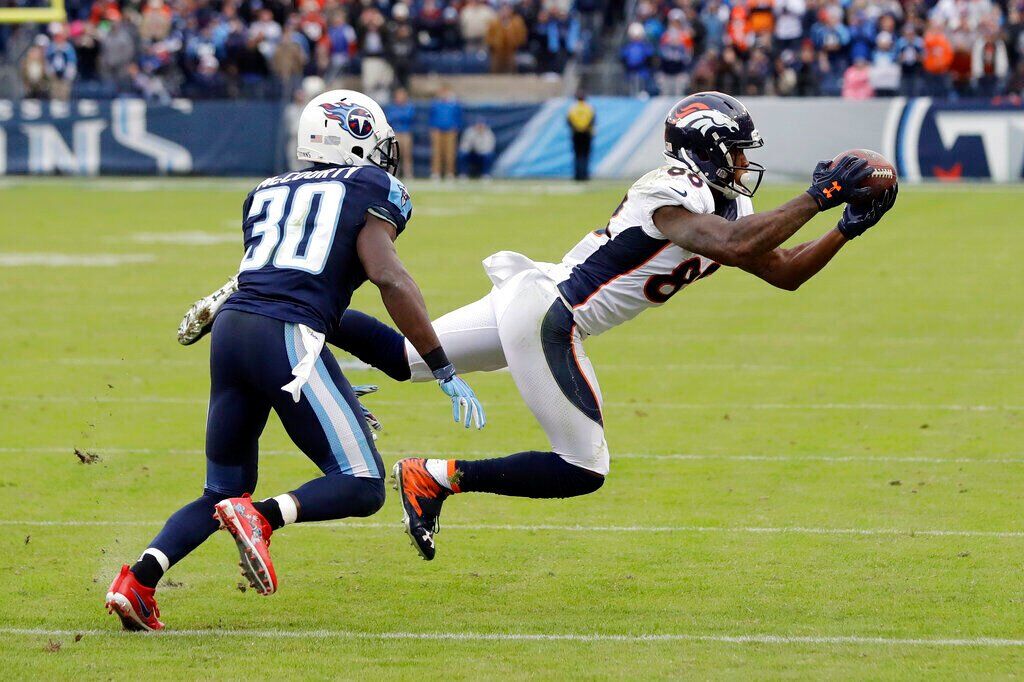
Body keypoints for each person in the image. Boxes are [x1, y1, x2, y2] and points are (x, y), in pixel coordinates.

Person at [180, 92, 898, 562]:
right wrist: (822, 190)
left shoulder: (726, 208)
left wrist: (846, 227)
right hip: (551, 312)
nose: (746, 164)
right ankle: (438, 476)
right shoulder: (668, 188)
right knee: (584, 468)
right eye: (737, 149)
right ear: (708, 149)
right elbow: (741, 247)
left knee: (405, 357)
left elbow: (783, 269)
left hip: (532, 298)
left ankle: (262, 290)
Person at [105, 89, 485, 631]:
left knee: (222, 489)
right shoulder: (373, 187)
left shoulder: (264, 190)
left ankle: (137, 581)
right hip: (286, 336)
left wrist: (334, 379)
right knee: (362, 483)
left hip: (234, 329)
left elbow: (297, 292)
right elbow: (387, 276)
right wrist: (440, 364)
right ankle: (258, 520)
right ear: (353, 137)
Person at [429, 84, 462, 179]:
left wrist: (456, 127)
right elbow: (431, 117)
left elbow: (458, 117)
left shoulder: (454, 104)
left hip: (450, 130)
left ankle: (450, 172)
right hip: (437, 130)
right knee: (437, 153)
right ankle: (436, 172)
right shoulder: (435, 104)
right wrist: (432, 128)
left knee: (450, 153)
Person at [386, 87, 417, 178]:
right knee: (394, 155)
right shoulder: (392, 106)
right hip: (395, 133)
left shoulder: (409, 106)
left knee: (407, 154)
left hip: (406, 133)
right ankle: (394, 174)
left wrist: (398, 116)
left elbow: (409, 116)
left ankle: (408, 174)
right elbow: (390, 118)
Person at [567, 90, 595, 181]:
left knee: (577, 155)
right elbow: (592, 121)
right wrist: (585, 128)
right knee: (586, 155)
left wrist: (576, 128)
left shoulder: (573, 108)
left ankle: (577, 175)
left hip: (576, 134)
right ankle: (585, 175)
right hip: (586, 134)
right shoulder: (589, 108)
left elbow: (569, 121)